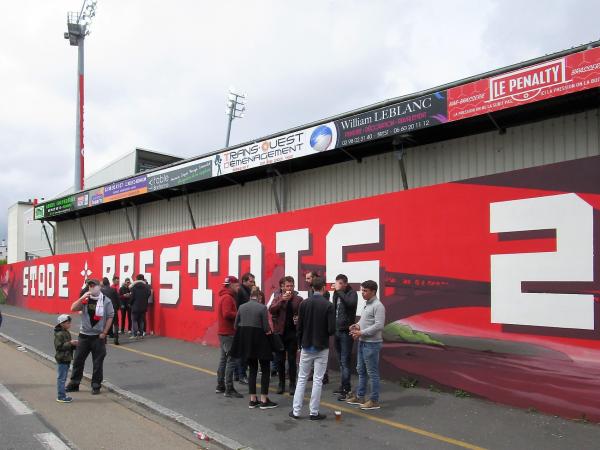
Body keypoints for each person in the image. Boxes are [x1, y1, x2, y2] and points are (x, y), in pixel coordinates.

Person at [290, 277, 335, 420]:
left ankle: (296, 411)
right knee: (317, 380)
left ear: (312, 288)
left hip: (306, 346)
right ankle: (314, 412)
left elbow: (299, 327)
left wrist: (299, 344)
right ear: (323, 288)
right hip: (321, 346)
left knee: (302, 378)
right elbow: (331, 329)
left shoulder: (304, 304)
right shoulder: (328, 305)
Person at [230, 286, 277, 409]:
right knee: (265, 369)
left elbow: (235, 325)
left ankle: (252, 399)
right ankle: (264, 399)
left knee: (252, 370)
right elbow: (266, 328)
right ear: (259, 297)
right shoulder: (262, 308)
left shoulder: (241, 307)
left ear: (250, 296)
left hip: (247, 344)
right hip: (261, 342)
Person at [66, 278, 114, 395]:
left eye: (94, 286)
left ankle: (96, 385)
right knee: (78, 360)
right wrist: (82, 298)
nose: (92, 288)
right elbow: (73, 308)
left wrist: (105, 332)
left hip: (98, 337)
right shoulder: (85, 300)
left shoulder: (106, 301)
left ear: (99, 287)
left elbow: (110, 316)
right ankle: (74, 383)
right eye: (90, 286)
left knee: (97, 363)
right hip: (84, 335)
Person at [346, 280, 386, 410]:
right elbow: (366, 321)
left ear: (373, 291)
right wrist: (357, 325)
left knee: (372, 373)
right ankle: (360, 396)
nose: (362, 293)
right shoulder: (367, 304)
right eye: (362, 290)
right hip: (363, 342)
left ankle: (374, 400)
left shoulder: (378, 306)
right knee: (361, 371)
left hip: (372, 344)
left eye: (365, 291)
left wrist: (361, 332)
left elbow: (379, 325)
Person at [269, 275, 303, 395]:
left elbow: (302, 313)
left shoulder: (298, 299)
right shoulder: (277, 298)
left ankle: (292, 384)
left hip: (292, 333)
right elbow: (271, 310)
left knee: (292, 360)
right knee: (280, 360)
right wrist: (282, 300)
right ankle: (281, 383)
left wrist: (298, 319)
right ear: (282, 287)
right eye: (287, 286)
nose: (290, 288)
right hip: (280, 333)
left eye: (292, 285)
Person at [332, 274, 358, 400]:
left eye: (338, 283)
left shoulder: (352, 293)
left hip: (346, 332)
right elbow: (334, 309)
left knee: (345, 361)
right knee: (341, 361)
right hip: (336, 330)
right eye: (336, 283)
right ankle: (343, 385)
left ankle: (346, 390)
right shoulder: (337, 293)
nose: (336, 285)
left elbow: (350, 304)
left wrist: (339, 292)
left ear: (344, 284)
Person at [216, 276, 243, 398]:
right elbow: (227, 314)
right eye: (237, 285)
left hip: (223, 333)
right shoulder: (228, 298)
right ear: (231, 284)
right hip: (228, 333)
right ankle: (229, 388)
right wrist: (240, 314)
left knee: (223, 360)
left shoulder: (224, 296)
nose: (238, 287)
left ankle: (220, 385)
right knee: (231, 360)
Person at [304, 270, 330, 385]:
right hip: (312, 328)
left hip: (320, 328)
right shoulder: (310, 291)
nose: (306, 280)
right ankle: (315, 373)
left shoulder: (325, 294)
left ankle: (324, 375)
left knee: (321, 354)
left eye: (309, 278)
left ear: (314, 278)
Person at [234, 272, 255, 384]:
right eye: (250, 281)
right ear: (244, 281)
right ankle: (241, 374)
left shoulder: (246, 291)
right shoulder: (241, 292)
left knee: (241, 352)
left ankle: (238, 374)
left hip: (244, 324)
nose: (252, 283)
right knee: (243, 353)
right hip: (243, 325)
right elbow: (238, 309)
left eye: (253, 281)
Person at [54, 314, 78, 403]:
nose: (69, 325)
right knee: (62, 378)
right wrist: (71, 343)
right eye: (68, 323)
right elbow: (59, 347)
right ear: (62, 324)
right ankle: (61, 396)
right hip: (62, 358)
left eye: (69, 323)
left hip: (66, 358)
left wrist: (73, 345)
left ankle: (62, 395)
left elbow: (67, 345)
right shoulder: (59, 334)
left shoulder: (66, 332)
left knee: (63, 377)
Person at [130, 274, 151, 339]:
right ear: (143, 279)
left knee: (134, 320)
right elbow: (149, 294)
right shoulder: (147, 287)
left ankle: (135, 334)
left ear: (137, 279)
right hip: (143, 306)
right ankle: (141, 334)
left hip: (135, 306)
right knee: (141, 320)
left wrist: (130, 303)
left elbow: (132, 297)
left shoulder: (134, 287)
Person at [101, 277, 121, 345]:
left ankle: (104, 339)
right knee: (116, 324)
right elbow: (117, 299)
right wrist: (118, 307)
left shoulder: (101, 291)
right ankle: (116, 339)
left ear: (103, 283)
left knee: (105, 324)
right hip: (113, 308)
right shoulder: (113, 289)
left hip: (105, 309)